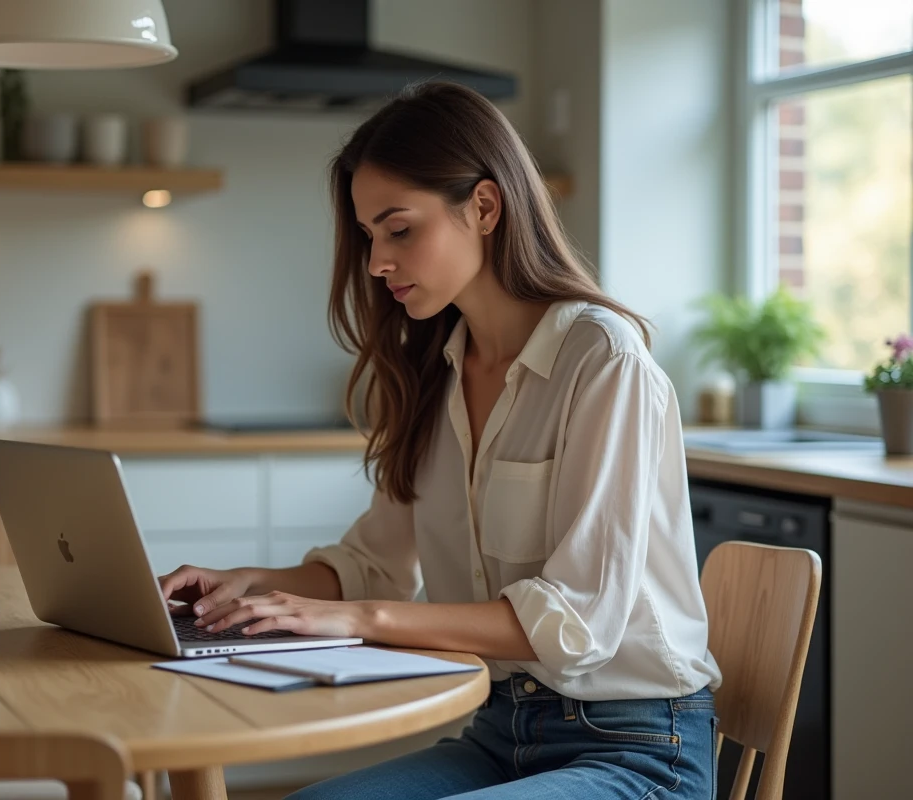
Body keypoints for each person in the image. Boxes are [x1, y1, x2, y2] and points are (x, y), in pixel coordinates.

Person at [158, 81, 721, 800]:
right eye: (369, 236)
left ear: (484, 207)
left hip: (638, 748)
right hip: (496, 735)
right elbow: (374, 566)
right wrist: (250, 585)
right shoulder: (437, 372)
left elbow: (579, 619)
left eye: (399, 230)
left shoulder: (603, 362)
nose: (375, 263)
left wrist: (357, 619)